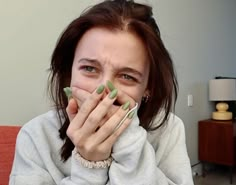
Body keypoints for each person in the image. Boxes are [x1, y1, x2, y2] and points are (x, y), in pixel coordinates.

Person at [10, 0, 194, 184]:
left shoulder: (168, 129)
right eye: (89, 68)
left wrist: (128, 141)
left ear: (148, 88)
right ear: (70, 72)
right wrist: (88, 167)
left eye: (127, 77)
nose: (104, 91)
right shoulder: (35, 136)